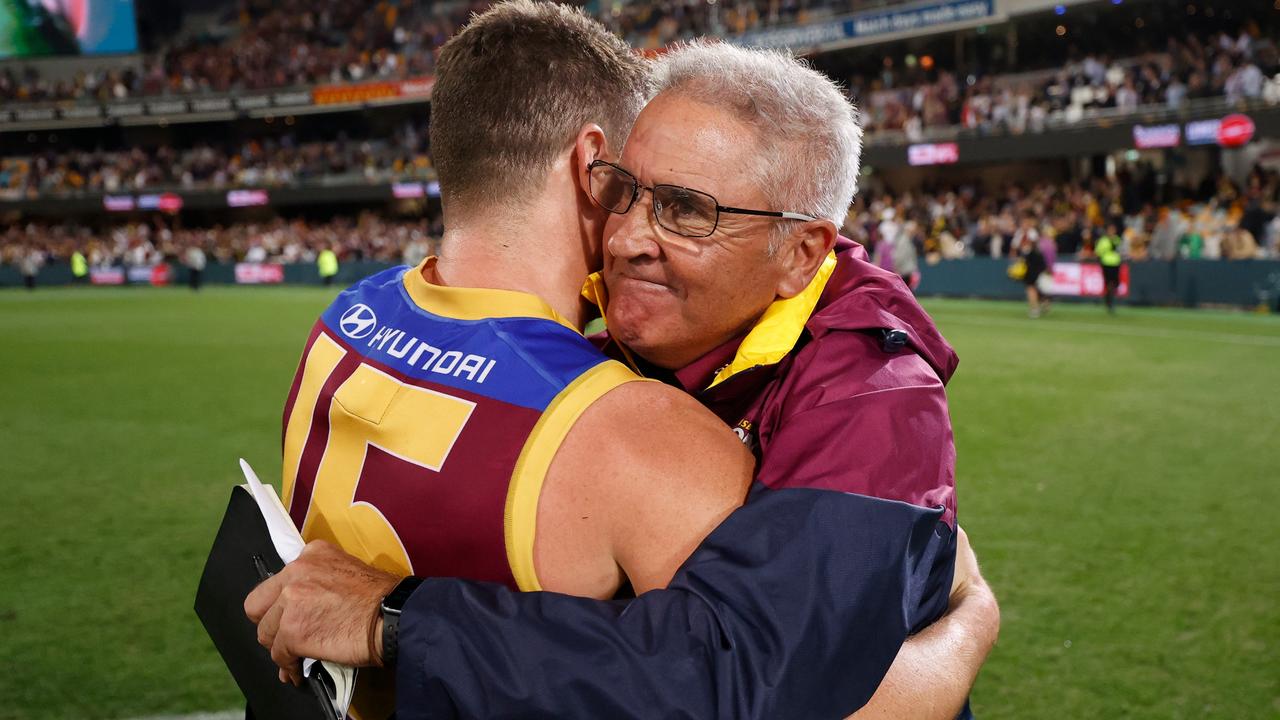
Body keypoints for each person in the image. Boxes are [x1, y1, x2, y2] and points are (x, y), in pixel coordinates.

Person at [246, 7, 995, 718]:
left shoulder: (873, 401)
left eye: (686, 210)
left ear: (801, 254)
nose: (626, 236)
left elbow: (759, 687)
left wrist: (966, 632)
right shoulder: (615, 347)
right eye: (626, 191)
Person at [1096, 223, 1123, 314]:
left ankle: (1109, 299)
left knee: (1115, 283)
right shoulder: (1103, 240)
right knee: (1108, 283)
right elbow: (1098, 251)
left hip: (1115, 264)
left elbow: (1122, 250)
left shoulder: (1117, 240)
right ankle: (1109, 302)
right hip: (1106, 263)